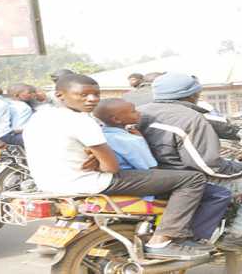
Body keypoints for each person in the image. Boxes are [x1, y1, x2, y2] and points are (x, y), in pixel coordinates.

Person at [22, 74, 211, 260]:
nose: (92, 99)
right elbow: (111, 167)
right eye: (83, 95)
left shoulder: (40, 116)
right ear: (60, 95)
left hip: (49, 184)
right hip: (89, 182)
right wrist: (100, 160)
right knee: (192, 179)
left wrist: (95, 158)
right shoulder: (81, 121)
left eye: (96, 94)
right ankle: (162, 240)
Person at [137, 73, 242, 253]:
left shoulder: (141, 110)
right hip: (188, 179)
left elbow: (222, 128)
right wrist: (241, 167)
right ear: (193, 95)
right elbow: (209, 166)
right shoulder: (191, 118)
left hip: (153, 176)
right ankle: (240, 235)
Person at [93, 98, 233, 240]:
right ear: (117, 119)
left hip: (116, 180)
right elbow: (150, 167)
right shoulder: (130, 140)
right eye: (133, 111)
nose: (138, 113)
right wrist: (141, 140)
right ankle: (194, 238)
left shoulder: (102, 134)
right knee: (218, 194)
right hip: (138, 180)